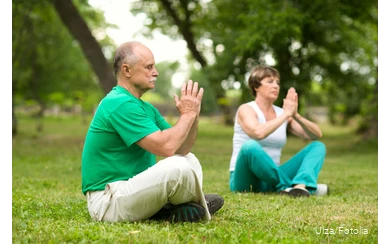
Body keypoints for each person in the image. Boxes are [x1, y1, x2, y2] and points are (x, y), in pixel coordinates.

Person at [81, 41, 224, 223]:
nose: (155, 72)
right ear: (127, 70)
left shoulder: (145, 108)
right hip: (108, 201)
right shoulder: (118, 102)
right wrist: (186, 115)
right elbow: (166, 147)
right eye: (149, 67)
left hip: (131, 191)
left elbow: (182, 147)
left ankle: (172, 208)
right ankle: (190, 206)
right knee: (176, 168)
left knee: (188, 159)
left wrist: (193, 115)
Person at [228, 65, 328, 197]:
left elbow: (315, 135)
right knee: (249, 147)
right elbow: (258, 133)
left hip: (271, 178)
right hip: (246, 180)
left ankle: (300, 185)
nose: (276, 86)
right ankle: (296, 187)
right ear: (256, 86)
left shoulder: (282, 113)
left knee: (317, 146)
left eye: (277, 82)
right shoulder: (246, 109)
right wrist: (286, 115)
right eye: (270, 82)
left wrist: (295, 115)